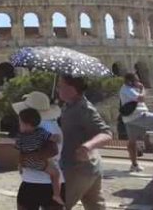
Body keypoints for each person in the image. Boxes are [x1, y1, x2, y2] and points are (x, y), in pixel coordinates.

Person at [58, 75, 113, 210]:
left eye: (60, 86)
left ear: (71, 89)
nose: (57, 89)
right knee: (95, 206)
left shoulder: (84, 108)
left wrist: (88, 146)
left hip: (78, 169)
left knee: (57, 205)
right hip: (88, 168)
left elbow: (106, 133)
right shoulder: (69, 106)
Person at [12, 91, 65, 210]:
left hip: (31, 182)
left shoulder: (32, 129)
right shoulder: (55, 127)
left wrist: (25, 159)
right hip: (52, 184)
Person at [119, 72, 153, 172]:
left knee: (132, 142)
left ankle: (134, 165)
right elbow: (141, 98)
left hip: (130, 119)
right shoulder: (127, 89)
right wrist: (143, 88)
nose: (138, 82)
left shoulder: (127, 89)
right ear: (130, 81)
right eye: (136, 80)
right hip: (139, 116)